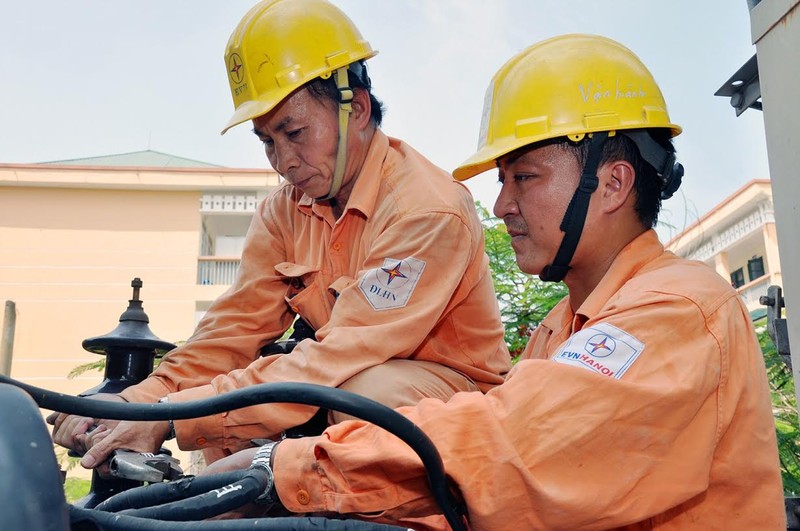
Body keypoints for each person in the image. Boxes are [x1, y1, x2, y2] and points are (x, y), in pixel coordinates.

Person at [207, 34, 786, 529]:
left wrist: (284, 467)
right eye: (502, 180)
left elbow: (514, 441)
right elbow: (476, 489)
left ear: (612, 184)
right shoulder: (561, 329)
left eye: (525, 177)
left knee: (371, 392)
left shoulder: (678, 309)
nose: (502, 204)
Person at [49, 0, 510, 468]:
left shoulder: (425, 210)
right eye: (268, 141)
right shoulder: (283, 209)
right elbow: (232, 331)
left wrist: (171, 418)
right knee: (231, 409)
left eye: (295, 132)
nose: (283, 161)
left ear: (360, 109)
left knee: (368, 392)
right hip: (338, 379)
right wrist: (138, 401)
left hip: (455, 399)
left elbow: (341, 357)